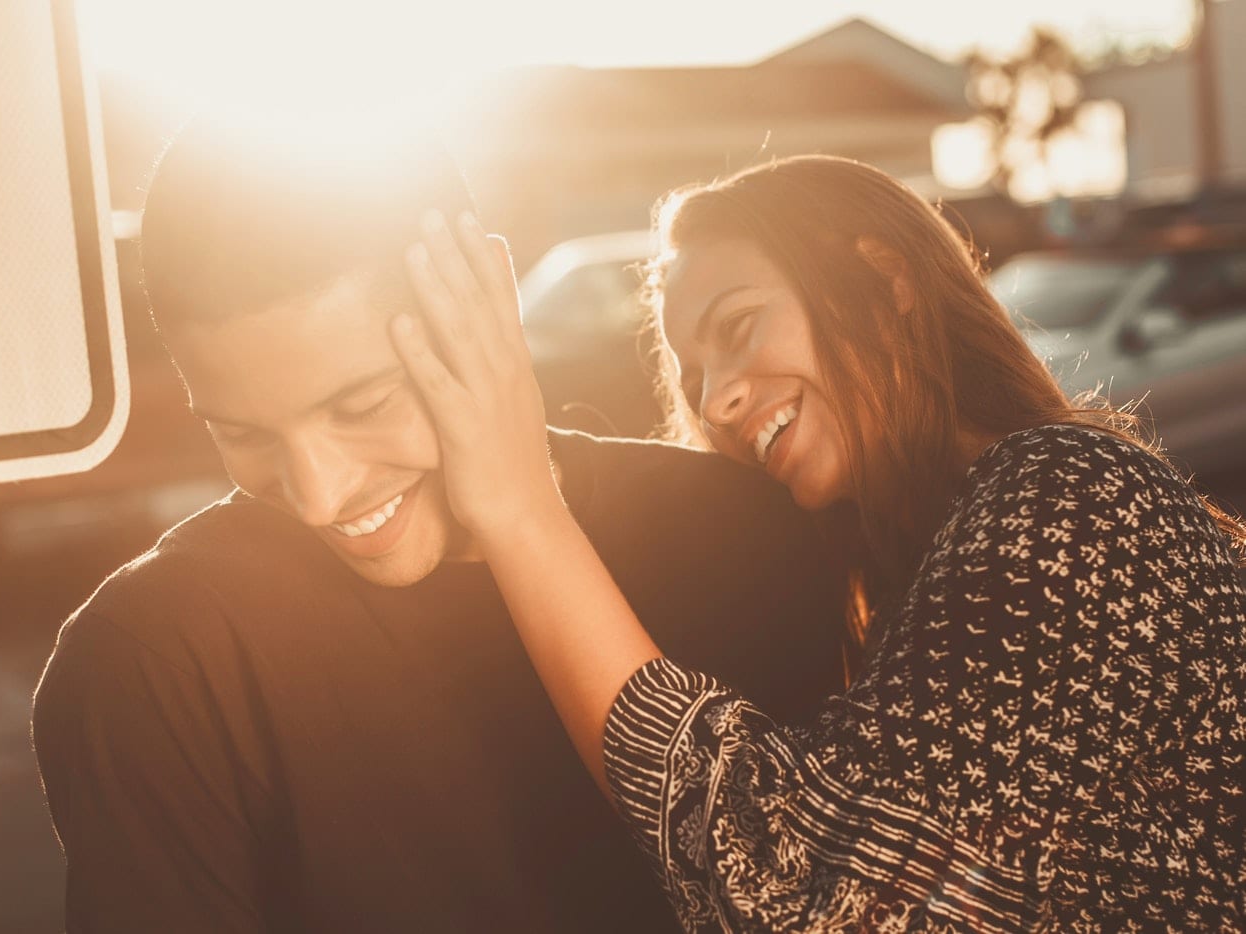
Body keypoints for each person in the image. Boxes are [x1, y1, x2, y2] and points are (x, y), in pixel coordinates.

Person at [29, 116, 861, 932]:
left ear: (486, 301)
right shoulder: (151, 665)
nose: (319, 495)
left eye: (362, 405)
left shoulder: (743, 536)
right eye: (241, 433)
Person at [391, 154, 1246, 931]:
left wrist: (521, 507)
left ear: (885, 278)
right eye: (694, 381)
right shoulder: (912, 580)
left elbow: (805, 892)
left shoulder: (1072, 497)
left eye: (739, 327)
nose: (719, 400)